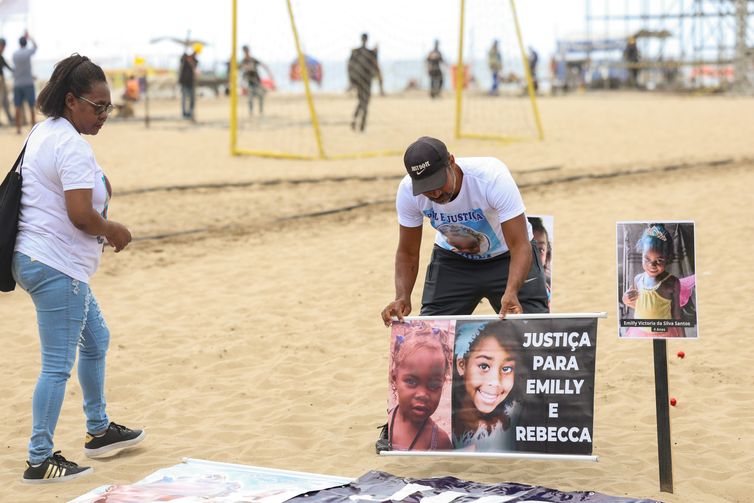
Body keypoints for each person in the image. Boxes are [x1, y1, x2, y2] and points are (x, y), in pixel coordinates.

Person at [12, 53, 144, 483]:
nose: (105, 114)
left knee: (97, 339)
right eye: (98, 106)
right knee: (56, 365)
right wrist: (113, 230)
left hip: (40, 259)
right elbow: (81, 215)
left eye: (109, 106)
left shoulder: (45, 131)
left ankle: (100, 429)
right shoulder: (69, 144)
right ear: (71, 101)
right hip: (55, 267)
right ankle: (39, 458)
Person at [380, 136, 549, 325]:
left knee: (535, 329)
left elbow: (519, 245)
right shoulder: (408, 192)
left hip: (508, 256)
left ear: (451, 162)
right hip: (454, 261)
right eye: (426, 188)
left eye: (438, 183)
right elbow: (407, 252)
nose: (435, 194)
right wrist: (402, 296)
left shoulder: (491, 177)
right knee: (432, 334)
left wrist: (511, 291)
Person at [452, 320, 524, 451]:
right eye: (484, 366)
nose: (495, 382)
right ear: (462, 365)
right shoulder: (443, 418)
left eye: (507, 369)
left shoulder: (516, 416)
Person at [386, 321, 453, 451]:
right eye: (411, 381)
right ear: (395, 378)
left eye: (434, 385)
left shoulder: (440, 441)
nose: (422, 394)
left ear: (443, 383)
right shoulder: (388, 421)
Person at [622, 224, 684, 337]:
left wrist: (683, 338)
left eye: (659, 260)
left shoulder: (672, 282)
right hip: (640, 332)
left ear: (668, 257)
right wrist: (626, 299)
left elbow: (676, 315)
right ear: (641, 254)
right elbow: (640, 305)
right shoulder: (638, 279)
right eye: (647, 259)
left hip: (664, 333)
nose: (652, 265)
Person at [347, 33, 382, 132]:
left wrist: (351, 81)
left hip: (359, 80)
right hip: (366, 81)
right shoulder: (369, 52)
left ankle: (356, 120)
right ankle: (361, 124)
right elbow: (376, 66)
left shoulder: (356, 52)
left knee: (362, 101)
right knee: (365, 102)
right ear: (367, 40)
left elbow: (350, 66)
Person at [12, 32, 37, 134]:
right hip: (28, 82)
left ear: (19, 43)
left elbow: (17, 68)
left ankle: (18, 129)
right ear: (26, 43)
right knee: (31, 105)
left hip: (17, 83)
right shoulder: (28, 52)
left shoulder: (15, 54)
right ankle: (32, 127)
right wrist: (30, 37)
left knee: (17, 106)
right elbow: (36, 46)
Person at [240, 45, 272, 116]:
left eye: (247, 51)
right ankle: (251, 112)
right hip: (249, 82)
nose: (246, 53)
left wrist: (270, 75)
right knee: (250, 98)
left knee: (260, 96)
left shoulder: (253, 60)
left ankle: (261, 111)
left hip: (257, 81)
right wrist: (242, 82)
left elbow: (263, 65)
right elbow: (242, 72)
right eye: (245, 51)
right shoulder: (243, 61)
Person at [527, 217, 551, 303]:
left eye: (540, 249)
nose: (535, 256)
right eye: (528, 249)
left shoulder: (549, 286)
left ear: (547, 254)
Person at [178, 46, 199, 120]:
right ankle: (184, 113)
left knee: (191, 98)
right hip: (184, 82)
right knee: (184, 98)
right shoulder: (183, 61)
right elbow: (181, 59)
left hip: (191, 82)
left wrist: (191, 61)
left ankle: (190, 113)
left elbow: (195, 66)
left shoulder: (195, 61)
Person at [0, 38, 15, 126]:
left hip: (2, 81)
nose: (3, 49)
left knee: (5, 100)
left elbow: (9, 68)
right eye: (2, 47)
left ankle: (10, 118)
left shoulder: (1, 57)